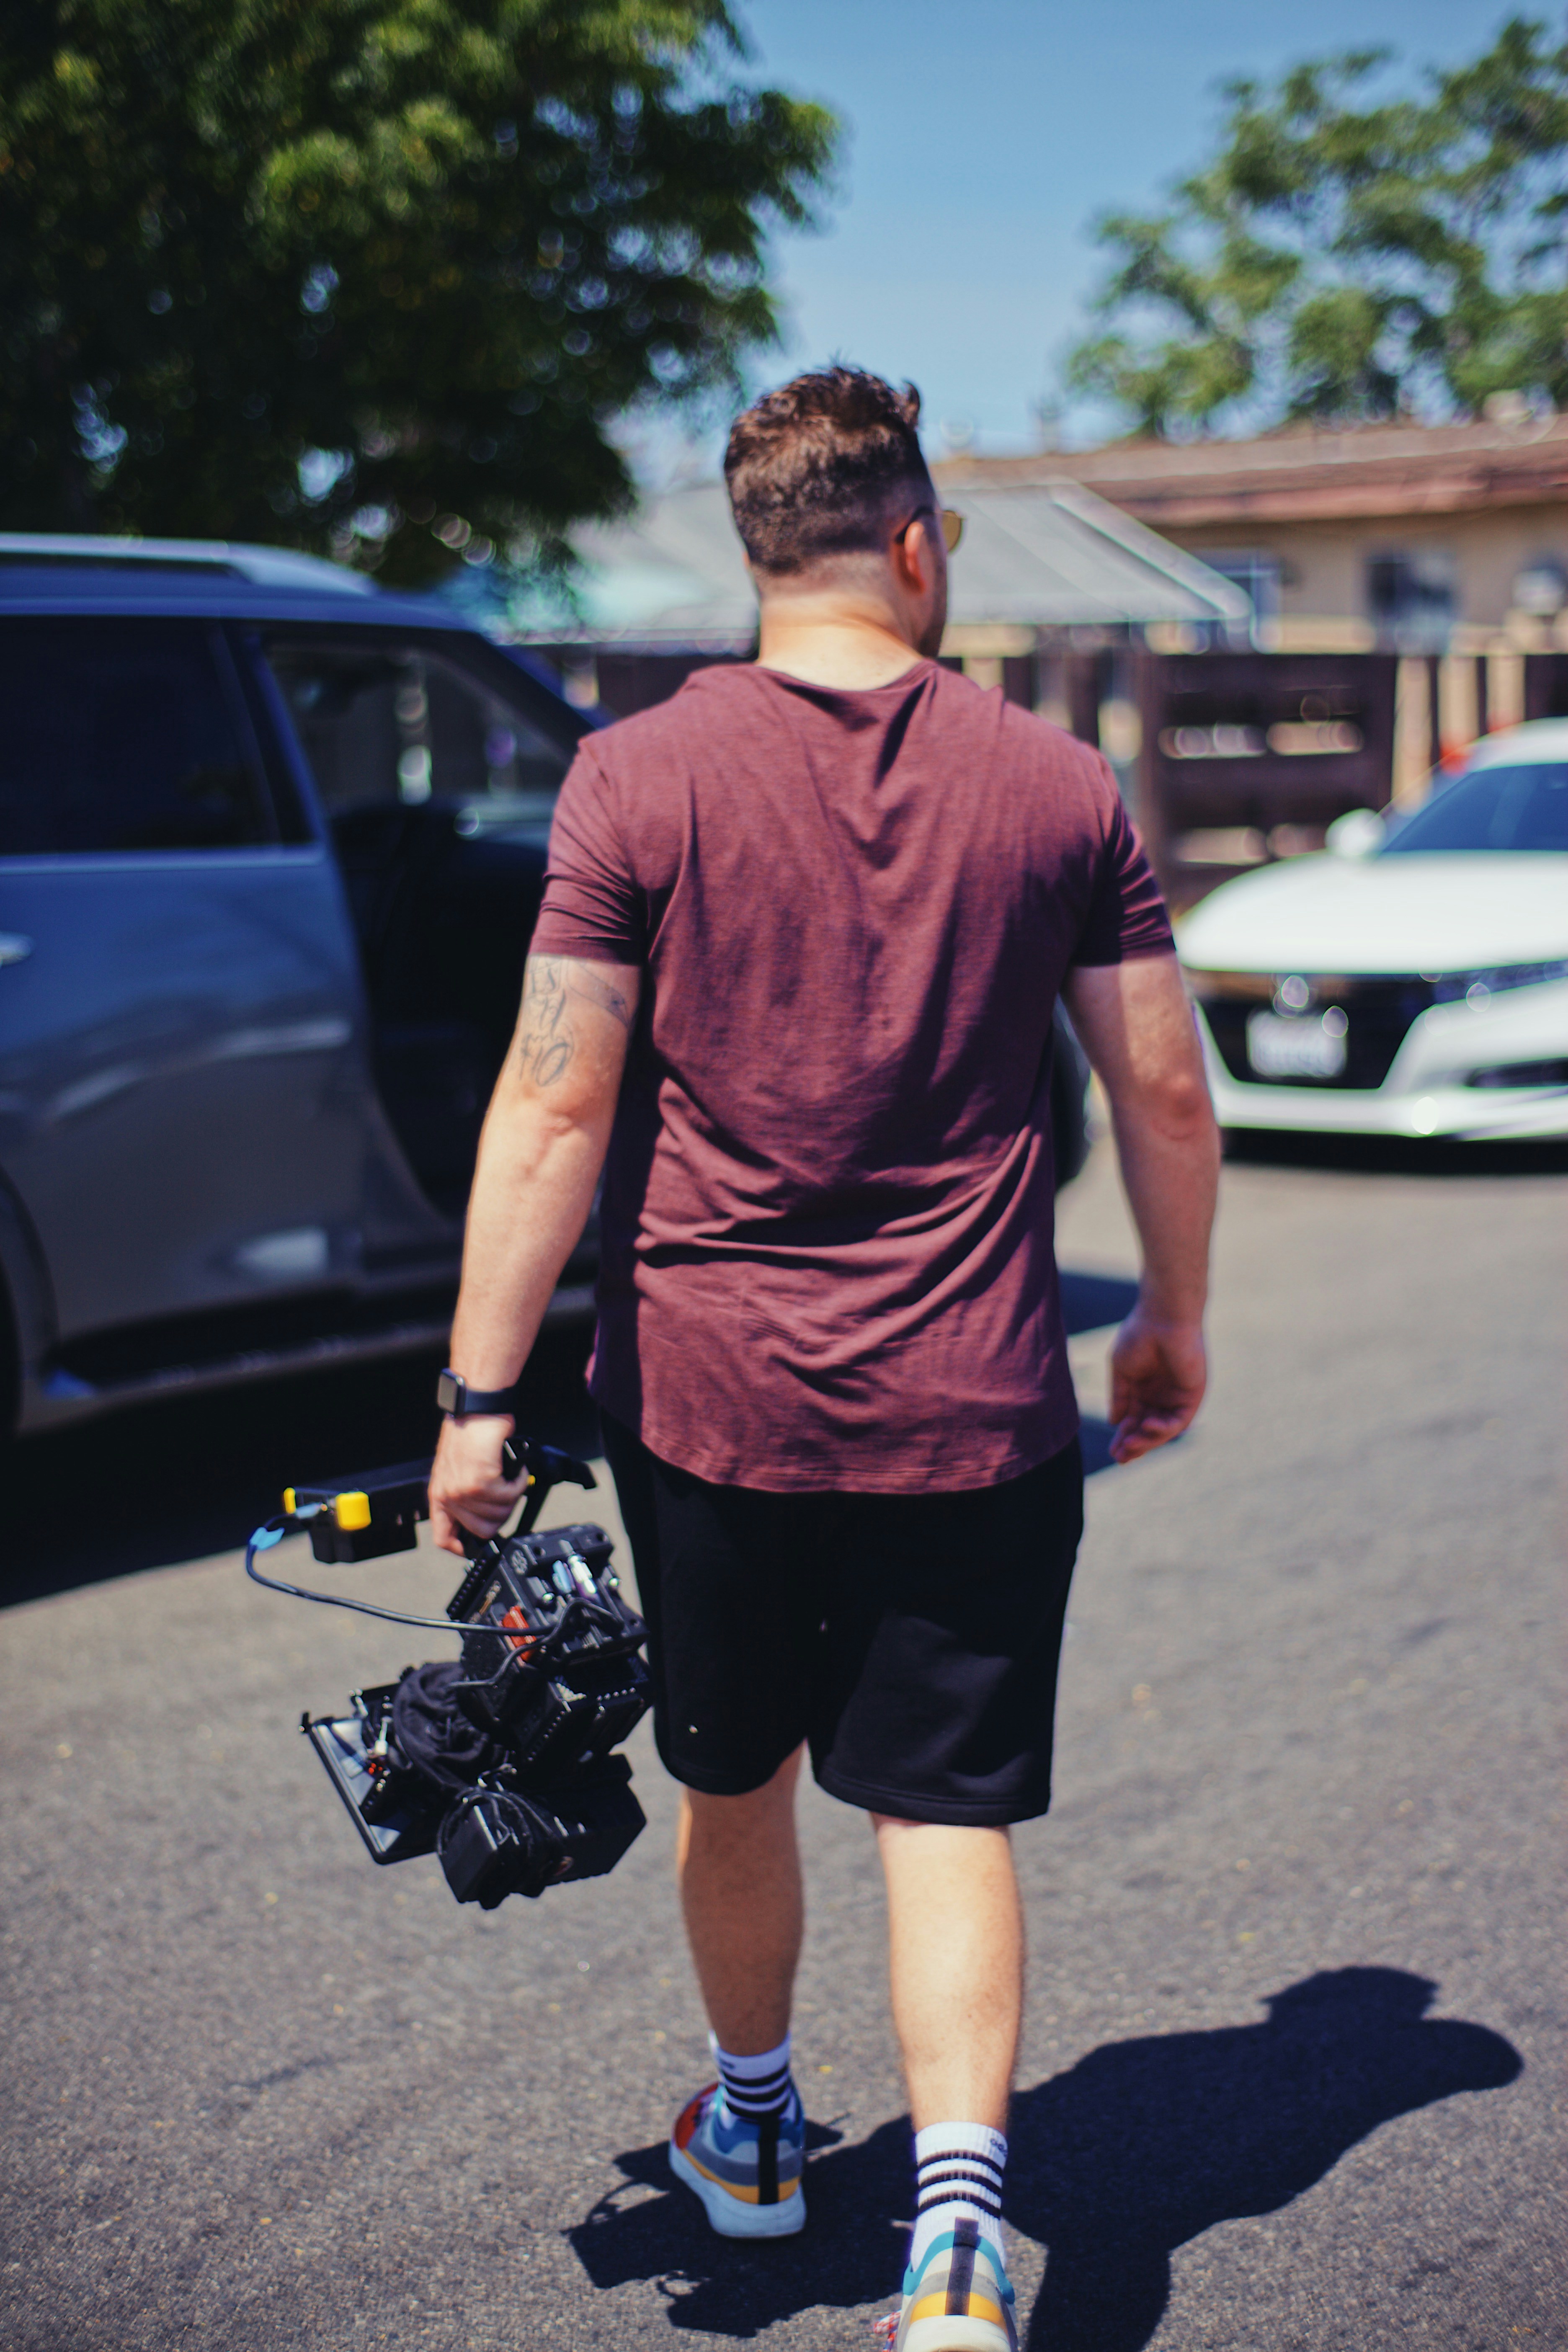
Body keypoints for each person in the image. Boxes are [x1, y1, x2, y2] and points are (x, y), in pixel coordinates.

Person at [429, 366, 1219, 2352]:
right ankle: (961, 2250)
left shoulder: (637, 774)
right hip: (975, 1402)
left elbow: (552, 1109)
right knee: (942, 1817)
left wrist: (477, 1396)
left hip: (711, 1404)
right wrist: (1176, 1322)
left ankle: (759, 2138)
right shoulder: (1057, 786)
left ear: (755, 550)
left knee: (736, 1781)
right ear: (920, 541)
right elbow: (1164, 1091)